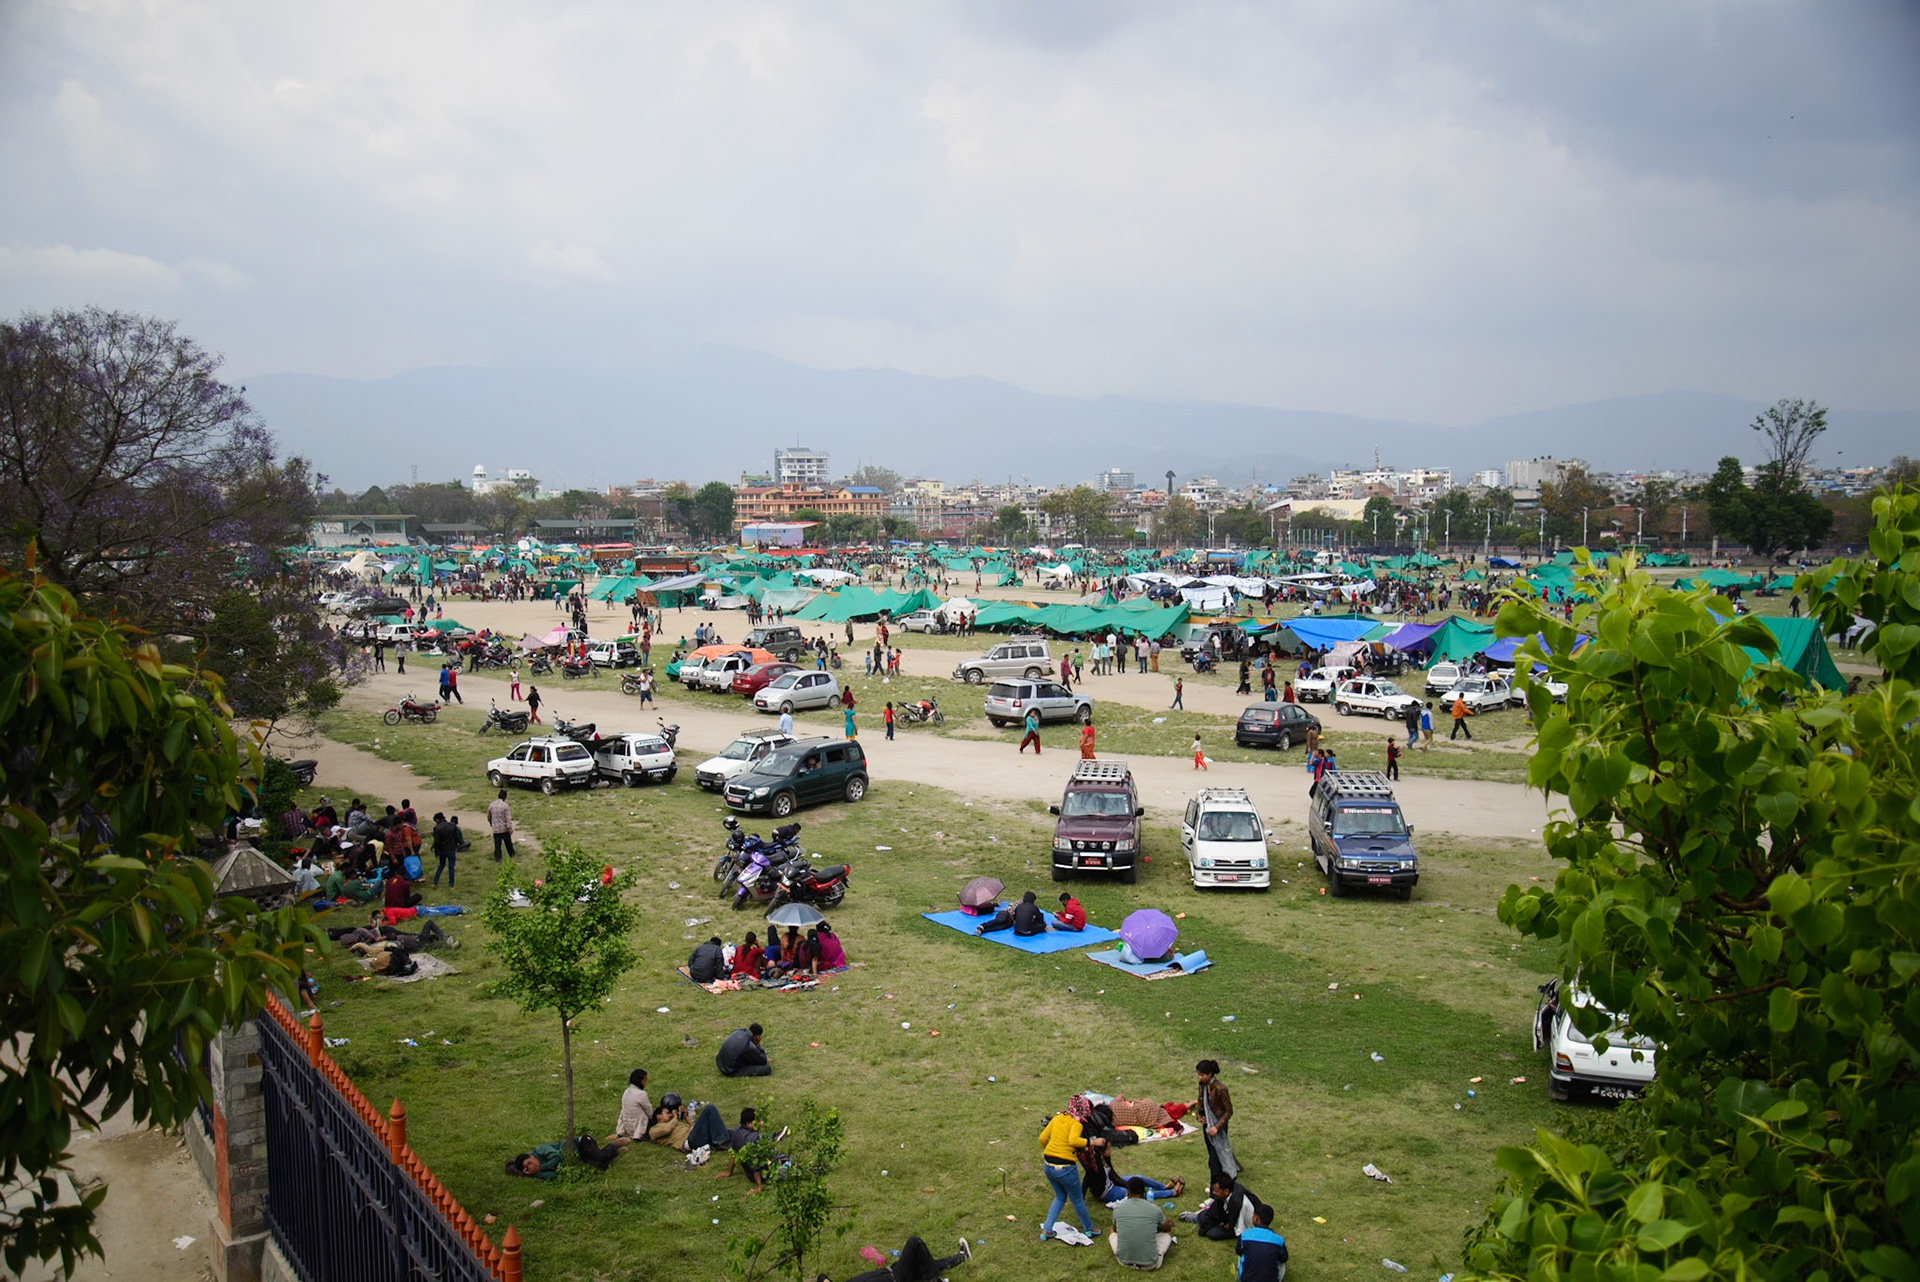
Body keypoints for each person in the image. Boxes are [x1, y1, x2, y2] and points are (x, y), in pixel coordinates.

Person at [1037, 1108, 1095, 1242]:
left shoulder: (1057, 1118)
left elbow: (1042, 1138)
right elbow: (1074, 1140)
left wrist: (1050, 1150)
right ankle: (1089, 1228)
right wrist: (1092, 1142)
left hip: (1048, 1164)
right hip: (1065, 1168)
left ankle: (1047, 1229)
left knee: (1060, 1196)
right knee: (1077, 1199)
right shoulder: (1076, 1124)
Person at [837, 1236, 972, 1282]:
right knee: (914, 1242)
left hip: (893, 1270)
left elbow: (821, 1276)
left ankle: (961, 1257)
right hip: (896, 1277)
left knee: (926, 1264)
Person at [1111, 1177, 1177, 1269]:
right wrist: (1167, 1225)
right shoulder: (1154, 1209)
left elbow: (1115, 1230)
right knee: (1167, 1234)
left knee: (1112, 1231)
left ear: (1127, 1192)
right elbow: (1165, 1229)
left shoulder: (1118, 1209)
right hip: (1151, 1264)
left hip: (1123, 1261)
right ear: (1144, 1192)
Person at [1192, 1060, 1240, 1185]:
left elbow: (1228, 1111)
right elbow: (1200, 1101)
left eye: (1202, 1075)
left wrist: (1217, 1127)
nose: (1200, 1077)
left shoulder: (1220, 1089)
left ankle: (1215, 1187)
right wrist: (1199, 1115)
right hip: (1207, 1123)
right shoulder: (1202, 1085)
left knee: (1214, 1158)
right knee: (1213, 1152)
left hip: (1218, 1125)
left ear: (1209, 1074)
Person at [646, 1094, 733, 1160]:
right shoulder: (654, 1130)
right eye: (667, 1113)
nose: (670, 1115)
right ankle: (722, 1142)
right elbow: (667, 1130)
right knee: (710, 1109)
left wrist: (686, 1117)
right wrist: (675, 1117)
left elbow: (693, 1129)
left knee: (729, 1132)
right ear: (659, 1117)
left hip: (695, 1137)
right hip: (690, 1141)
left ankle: (739, 1137)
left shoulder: (673, 1122)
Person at [1186, 1173, 1258, 1242]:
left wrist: (1229, 1225)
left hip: (1239, 1224)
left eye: (1216, 1191)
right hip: (1227, 1217)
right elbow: (1215, 1208)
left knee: (1212, 1233)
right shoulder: (1226, 1193)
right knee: (1202, 1216)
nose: (1213, 1193)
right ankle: (1201, 1220)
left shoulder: (1239, 1203)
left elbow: (1239, 1227)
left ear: (1226, 1191)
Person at [1235, 1201, 1288, 1281]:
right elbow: (1284, 1258)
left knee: (1243, 1253)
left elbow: (1239, 1251)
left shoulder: (1244, 1236)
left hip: (1246, 1279)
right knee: (1281, 1260)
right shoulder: (1279, 1240)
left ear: (1256, 1218)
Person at [602, 1068, 652, 1152]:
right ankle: (638, 1136)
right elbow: (649, 1110)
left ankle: (621, 1134)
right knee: (644, 1114)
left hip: (627, 1125)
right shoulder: (641, 1094)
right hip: (637, 1126)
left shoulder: (626, 1091)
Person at [976, 890, 1046, 937]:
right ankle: (983, 925)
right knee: (1000, 921)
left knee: (1002, 927)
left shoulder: (1023, 906)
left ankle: (983, 930)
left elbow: (1017, 916)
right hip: (1006, 914)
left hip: (1012, 923)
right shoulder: (1025, 905)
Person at [430, 811, 459, 888]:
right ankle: (451, 884)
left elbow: (436, 841)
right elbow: (456, 838)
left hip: (442, 849)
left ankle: (435, 882)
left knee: (441, 865)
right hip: (451, 848)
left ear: (437, 820)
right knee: (451, 867)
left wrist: (436, 852)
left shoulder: (437, 828)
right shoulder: (452, 826)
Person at [488, 789, 515, 861]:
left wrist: (491, 823)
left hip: (496, 829)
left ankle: (498, 858)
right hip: (504, 829)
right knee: (508, 843)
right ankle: (512, 854)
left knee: (497, 845)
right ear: (505, 797)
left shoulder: (492, 805)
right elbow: (507, 818)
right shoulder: (505, 806)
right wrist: (510, 828)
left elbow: (489, 816)